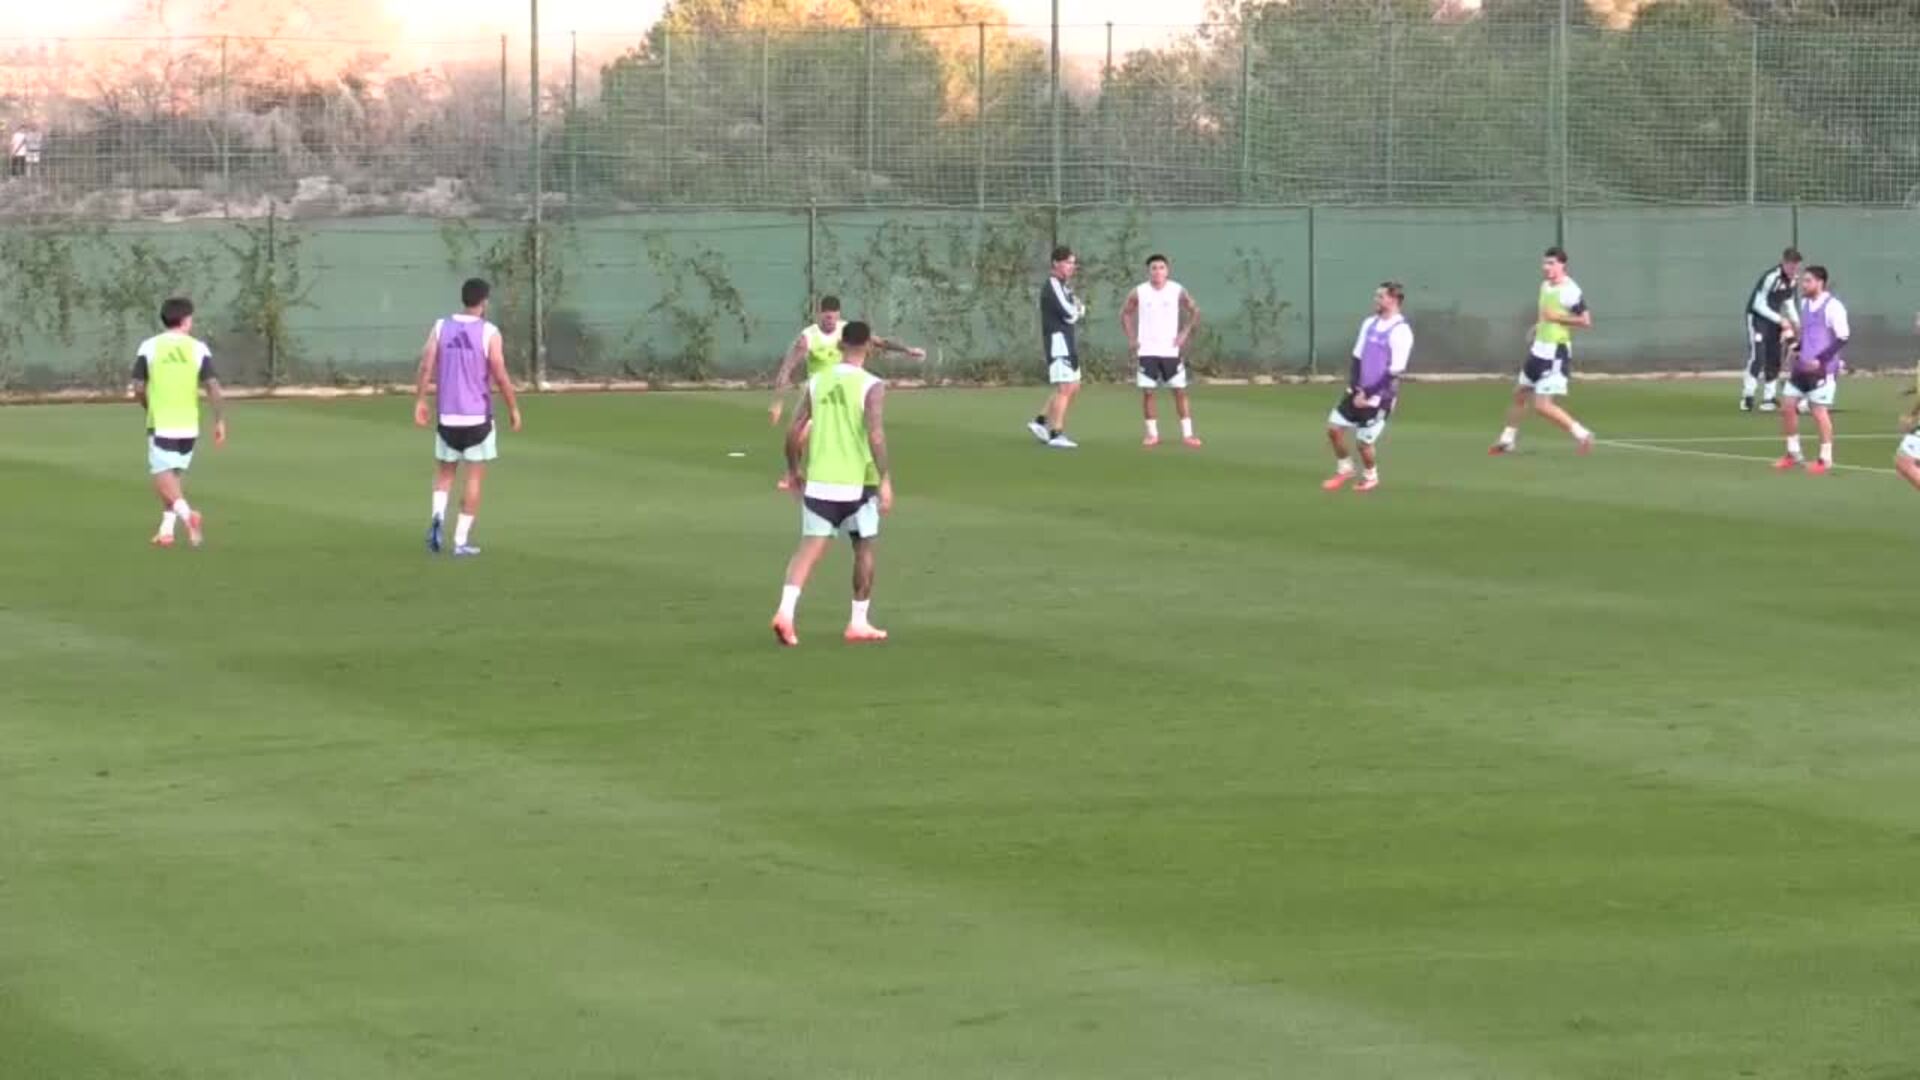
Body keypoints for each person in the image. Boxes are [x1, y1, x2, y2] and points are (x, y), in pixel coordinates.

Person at [772, 321, 893, 647]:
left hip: (820, 481)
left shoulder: (816, 380)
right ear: (868, 346)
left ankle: (785, 612)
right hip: (858, 482)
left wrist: (793, 470)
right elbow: (876, 434)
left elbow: (793, 430)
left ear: (840, 345)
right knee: (864, 545)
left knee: (808, 549)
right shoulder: (872, 384)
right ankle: (858, 622)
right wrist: (884, 479)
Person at [413, 278, 522, 556]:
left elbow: (426, 364)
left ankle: (437, 518)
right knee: (473, 478)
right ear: (484, 301)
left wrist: (420, 400)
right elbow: (499, 373)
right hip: (478, 418)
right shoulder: (489, 332)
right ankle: (460, 542)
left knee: (445, 474)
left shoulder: (441, 327)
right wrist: (513, 408)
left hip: (448, 417)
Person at [132, 297, 225, 548]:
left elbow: (138, 386)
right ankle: (166, 531)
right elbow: (213, 386)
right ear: (185, 320)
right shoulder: (198, 348)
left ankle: (187, 516)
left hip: (161, 422)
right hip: (189, 425)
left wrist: (147, 405)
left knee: (162, 479)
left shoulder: (149, 346)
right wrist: (219, 421)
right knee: (174, 475)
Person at [1490, 246, 1595, 456]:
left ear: (1562, 265)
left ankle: (1583, 434)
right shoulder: (1545, 286)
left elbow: (1585, 321)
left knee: (1542, 405)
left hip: (1555, 354)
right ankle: (1508, 439)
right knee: (1520, 393)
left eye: (1551, 263)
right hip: (1538, 351)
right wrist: (1539, 326)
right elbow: (1544, 314)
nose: (1546, 267)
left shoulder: (1571, 291)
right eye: (1545, 263)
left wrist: (1557, 318)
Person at [767, 295, 924, 426]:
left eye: (833, 315)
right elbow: (787, 368)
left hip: (844, 390)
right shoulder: (808, 337)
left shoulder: (846, 330)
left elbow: (880, 342)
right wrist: (777, 402)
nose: (830, 319)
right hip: (817, 392)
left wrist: (907, 350)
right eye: (826, 315)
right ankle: (794, 464)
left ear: (838, 314)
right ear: (819, 314)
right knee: (798, 434)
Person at [1323, 282, 1413, 493]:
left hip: (1380, 397)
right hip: (1358, 392)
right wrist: (1355, 388)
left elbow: (1395, 371)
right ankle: (1345, 468)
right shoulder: (1369, 323)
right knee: (1334, 429)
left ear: (1393, 299)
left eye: (1380, 296)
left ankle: (1371, 476)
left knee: (1363, 444)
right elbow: (1357, 356)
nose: (1376, 300)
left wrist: (1369, 394)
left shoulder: (1401, 331)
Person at [1119, 253, 1202, 448]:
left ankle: (1188, 434)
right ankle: (1152, 434)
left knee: (1179, 391)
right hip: (1147, 350)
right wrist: (1132, 338)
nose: (1158, 271)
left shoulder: (1177, 290)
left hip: (1170, 350)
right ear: (1149, 271)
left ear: (1167, 270)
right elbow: (1125, 313)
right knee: (1148, 392)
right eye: (1154, 268)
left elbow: (1194, 310)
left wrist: (1184, 333)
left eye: (1161, 268)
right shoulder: (1139, 292)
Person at [1772, 265, 1848, 476]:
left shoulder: (1834, 307)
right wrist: (1794, 347)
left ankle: (1826, 458)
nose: (1803, 285)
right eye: (1803, 281)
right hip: (1801, 367)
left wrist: (1821, 360)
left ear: (1819, 283)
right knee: (1787, 406)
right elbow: (1807, 335)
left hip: (1822, 370)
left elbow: (1843, 337)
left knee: (1818, 412)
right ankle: (1793, 453)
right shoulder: (1805, 303)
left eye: (1808, 281)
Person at [1028, 246, 1086, 449]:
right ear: (1056, 263)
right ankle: (1056, 433)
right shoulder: (1052, 285)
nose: (1072, 266)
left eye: (1073, 263)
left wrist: (1077, 310)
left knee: (1074, 385)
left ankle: (1040, 421)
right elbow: (1070, 312)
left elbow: (1077, 308)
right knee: (1065, 387)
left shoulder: (1065, 287)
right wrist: (1077, 310)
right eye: (1068, 262)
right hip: (1058, 343)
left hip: (1068, 341)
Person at [1742, 247, 1802, 413]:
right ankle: (1748, 396)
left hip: (1775, 319)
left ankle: (1769, 398)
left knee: (1774, 357)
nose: (1794, 270)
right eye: (1791, 266)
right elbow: (1758, 304)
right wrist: (1780, 319)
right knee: (1758, 356)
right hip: (1757, 318)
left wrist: (1796, 322)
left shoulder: (1793, 279)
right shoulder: (1771, 277)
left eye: (1796, 267)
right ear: (1784, 263)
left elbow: (1788, 301)